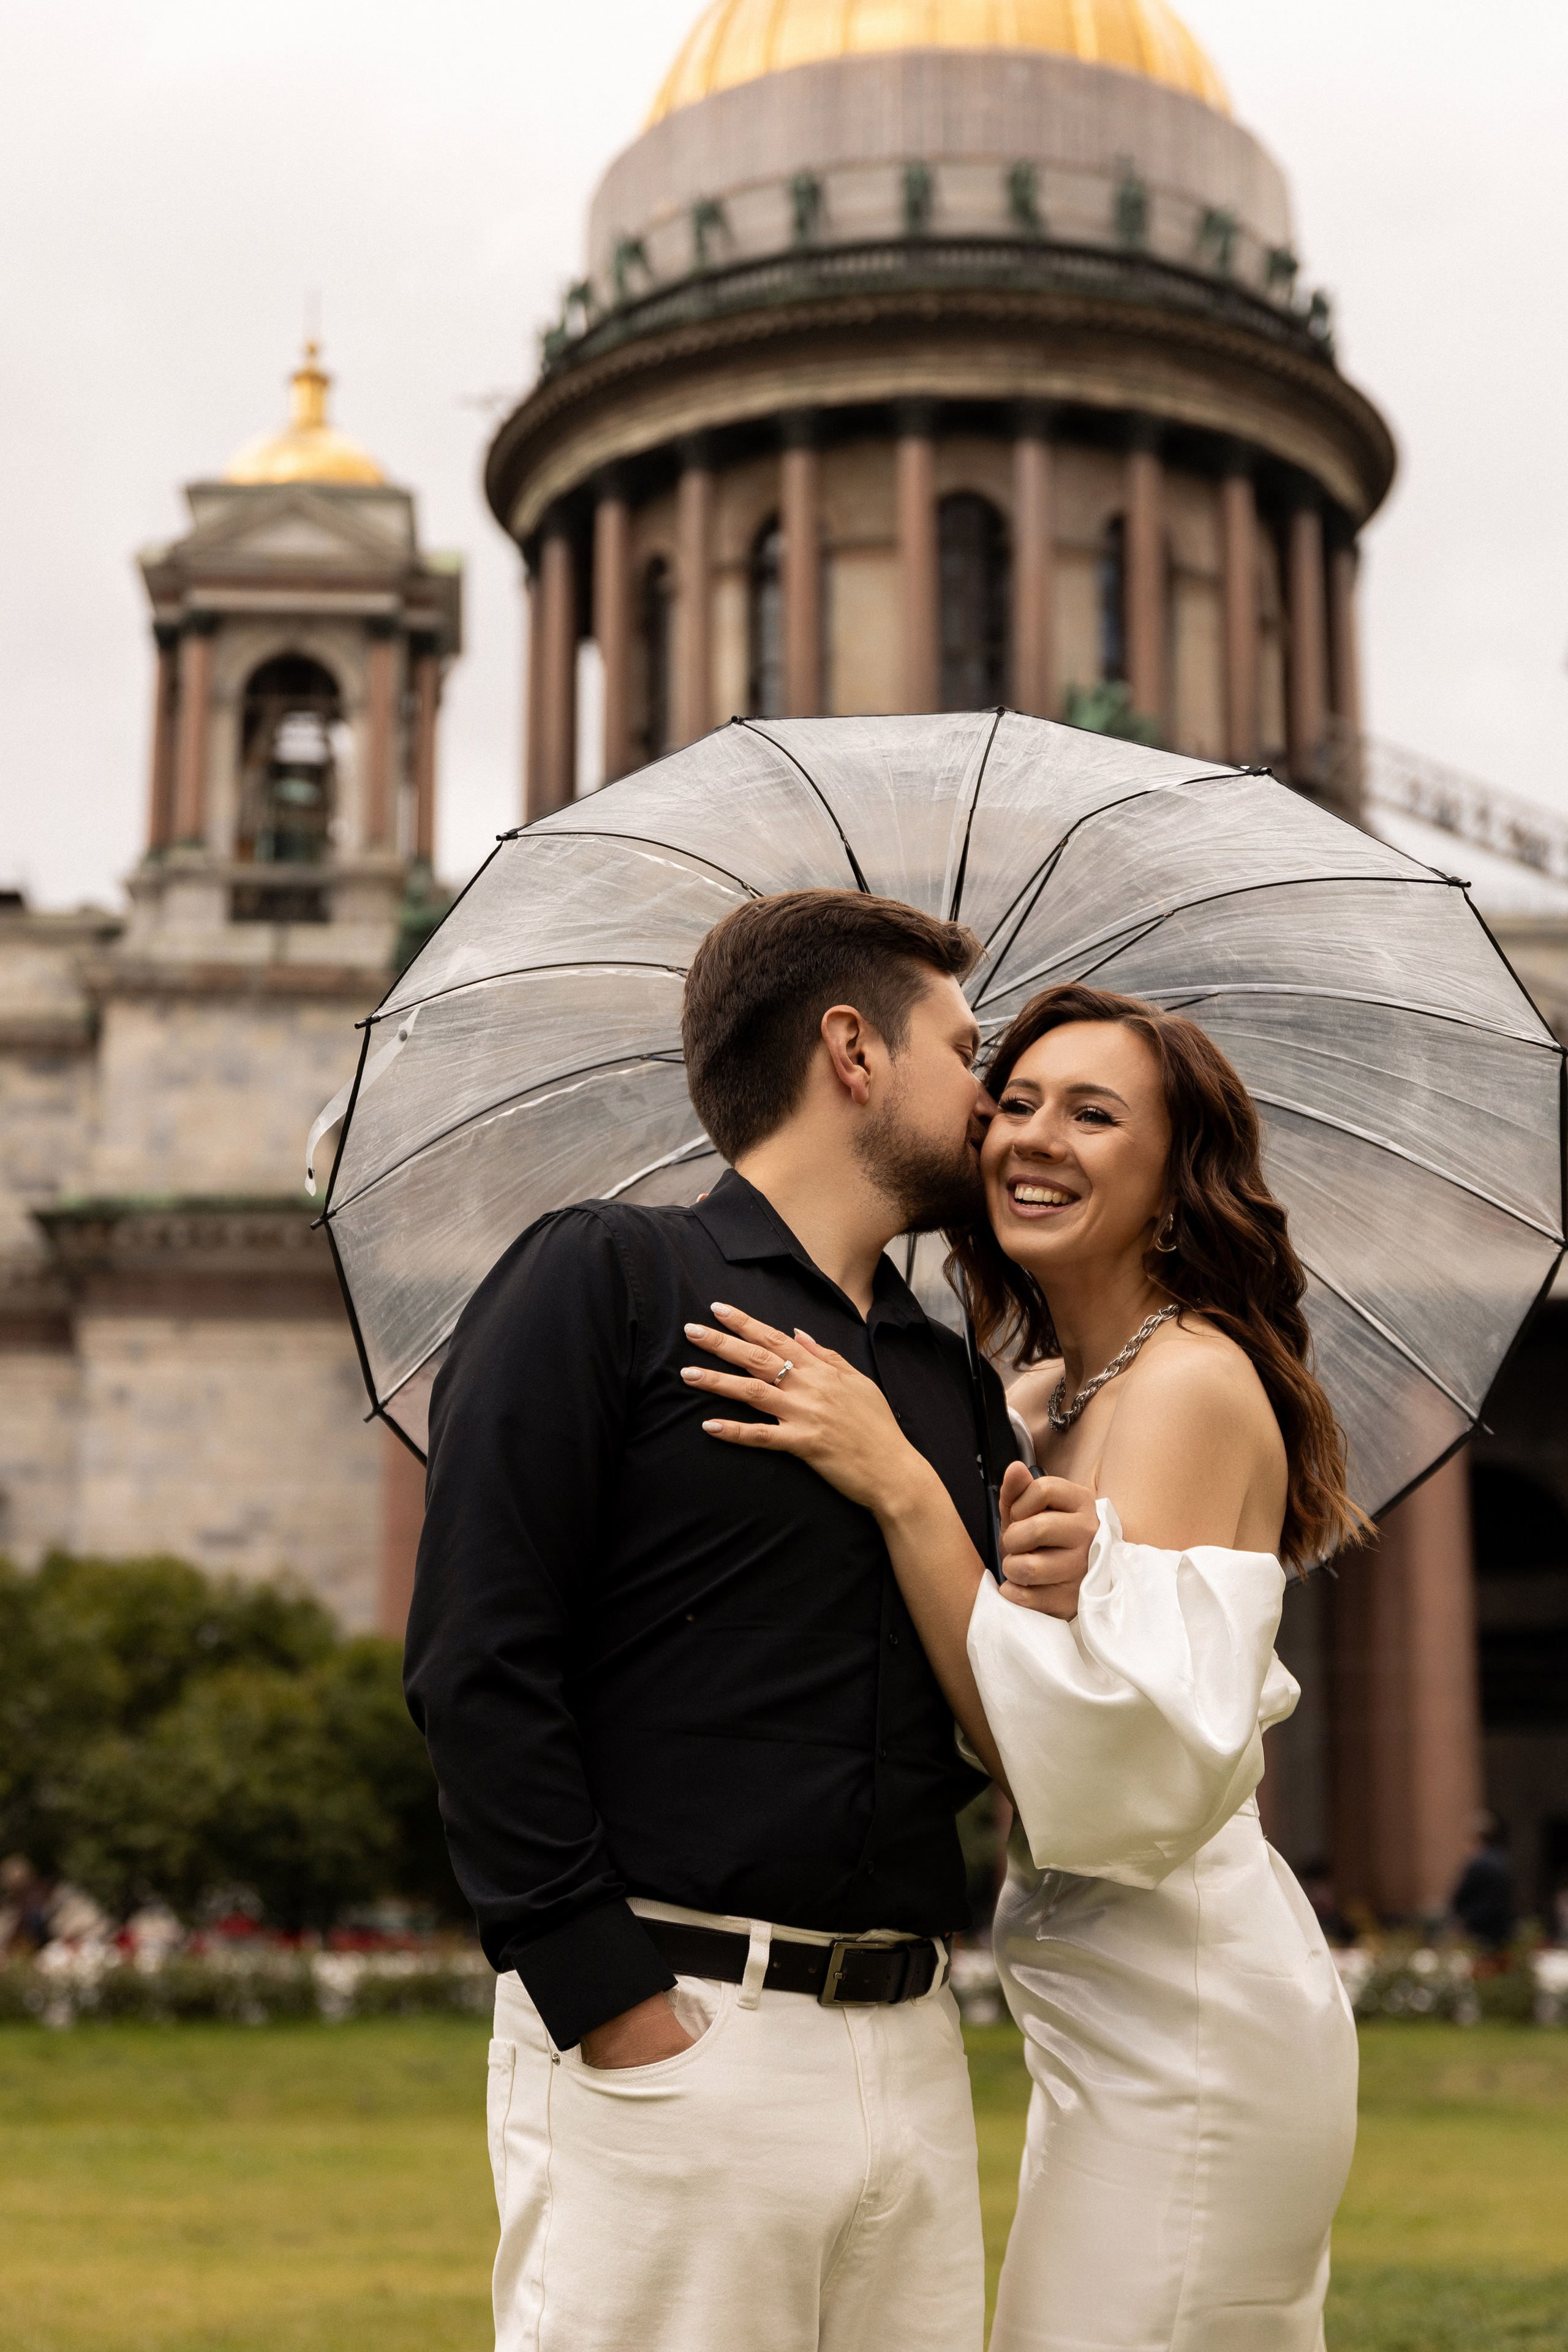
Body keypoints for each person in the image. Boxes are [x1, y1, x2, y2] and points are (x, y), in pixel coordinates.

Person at [404, 892, 1099, 2352]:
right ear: (851, 1049)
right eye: (965, 1050)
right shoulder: (605, 1276)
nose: (991, 1101)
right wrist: (610, 2002)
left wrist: (1042, 1597)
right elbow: (478, 1658)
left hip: (909, 2054)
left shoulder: (948, 1385)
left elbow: (1000, 1731)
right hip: (670, 2032)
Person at [688, 981, 1363, 2352]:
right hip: (1099, 2020)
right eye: (1018, 1102)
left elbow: (1112, 1790)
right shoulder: (1038, 1400)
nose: (1032, 1139)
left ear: (1174, 1177)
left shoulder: (1188, 1380)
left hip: (1191, 2017)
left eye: (1095, 1114)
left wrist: (900, 1485)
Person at [1450, 1813, 1515, 1953]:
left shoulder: (1479, 1863)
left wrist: (1465, 1918)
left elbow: (1460, 1897)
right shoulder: (1502, 1860)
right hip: (1502, 1927)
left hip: (1480, 1928)